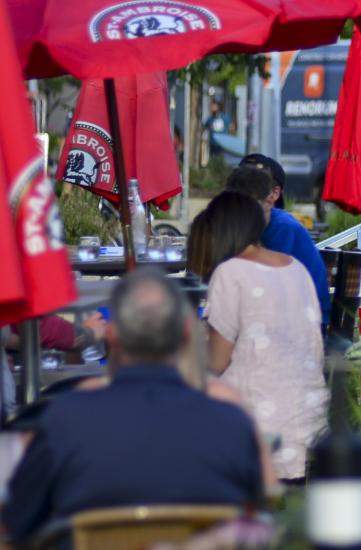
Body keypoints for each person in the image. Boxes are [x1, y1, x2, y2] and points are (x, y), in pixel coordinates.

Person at [2, 270, 263, 541]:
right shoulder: (232, 422)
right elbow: (257, 516)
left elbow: (17, 521)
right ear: (187, 331)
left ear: (112, 334)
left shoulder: (64, 419)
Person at [188, 191, 328, 483]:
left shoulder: (230, 272)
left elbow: (215, 362)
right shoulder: (295, 267)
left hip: (259, 429)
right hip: (311, 422)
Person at [226, 162, 331, 329]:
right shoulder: (251, 226)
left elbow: (270, 287)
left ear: (270, 200)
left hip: (306, 321)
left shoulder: (282, 228)